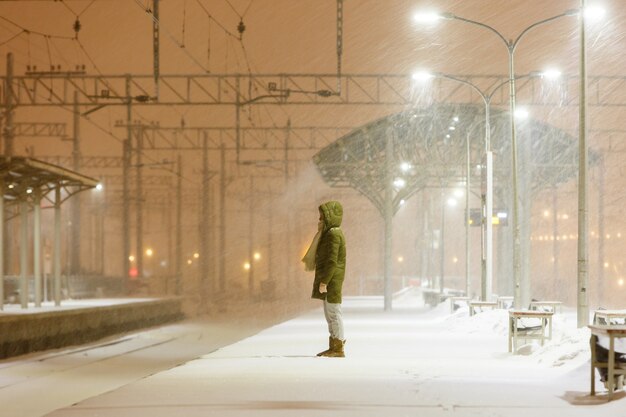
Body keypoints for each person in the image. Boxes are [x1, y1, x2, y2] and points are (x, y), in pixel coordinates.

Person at [305, 200, 346, 358]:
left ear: (330, 216)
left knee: (334, 313)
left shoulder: (333, 234)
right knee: (330, 314)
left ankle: (338, 347)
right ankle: (334, 345)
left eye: (322, 216)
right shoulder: (330, 233)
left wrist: (324, 282)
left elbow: (332, 261)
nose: (319, 219)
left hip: (332, 281)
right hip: (331, 280)